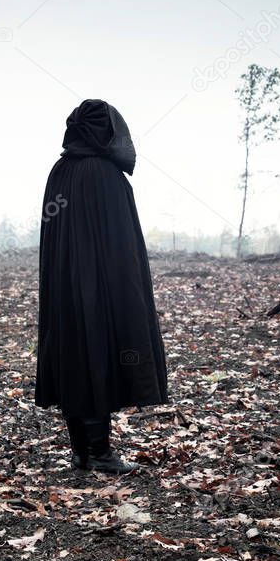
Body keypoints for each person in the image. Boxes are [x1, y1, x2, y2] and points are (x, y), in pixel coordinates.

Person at [34, 99, 169, 474]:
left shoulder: (60, 171)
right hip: (101, 291)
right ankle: (100, 453)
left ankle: (83, 452)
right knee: (97, 356)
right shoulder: (105, 176)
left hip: (65, 290)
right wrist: (127, 296)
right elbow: (121, 247)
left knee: (75, 359)